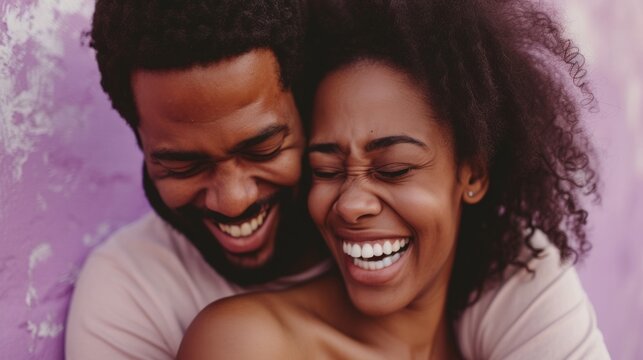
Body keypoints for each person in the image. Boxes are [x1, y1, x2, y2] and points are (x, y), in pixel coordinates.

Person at [177, 0, 610, 359]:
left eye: (394, 169)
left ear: (473, 173)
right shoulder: (246, 344)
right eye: (326, 170)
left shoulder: (516, 327)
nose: (350, 204)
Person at [65, 1, 332, 359]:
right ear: (141, 143)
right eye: (183, 168)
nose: (233, 201)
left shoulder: (393, 245)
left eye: (263, 149)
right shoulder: (130, 295)